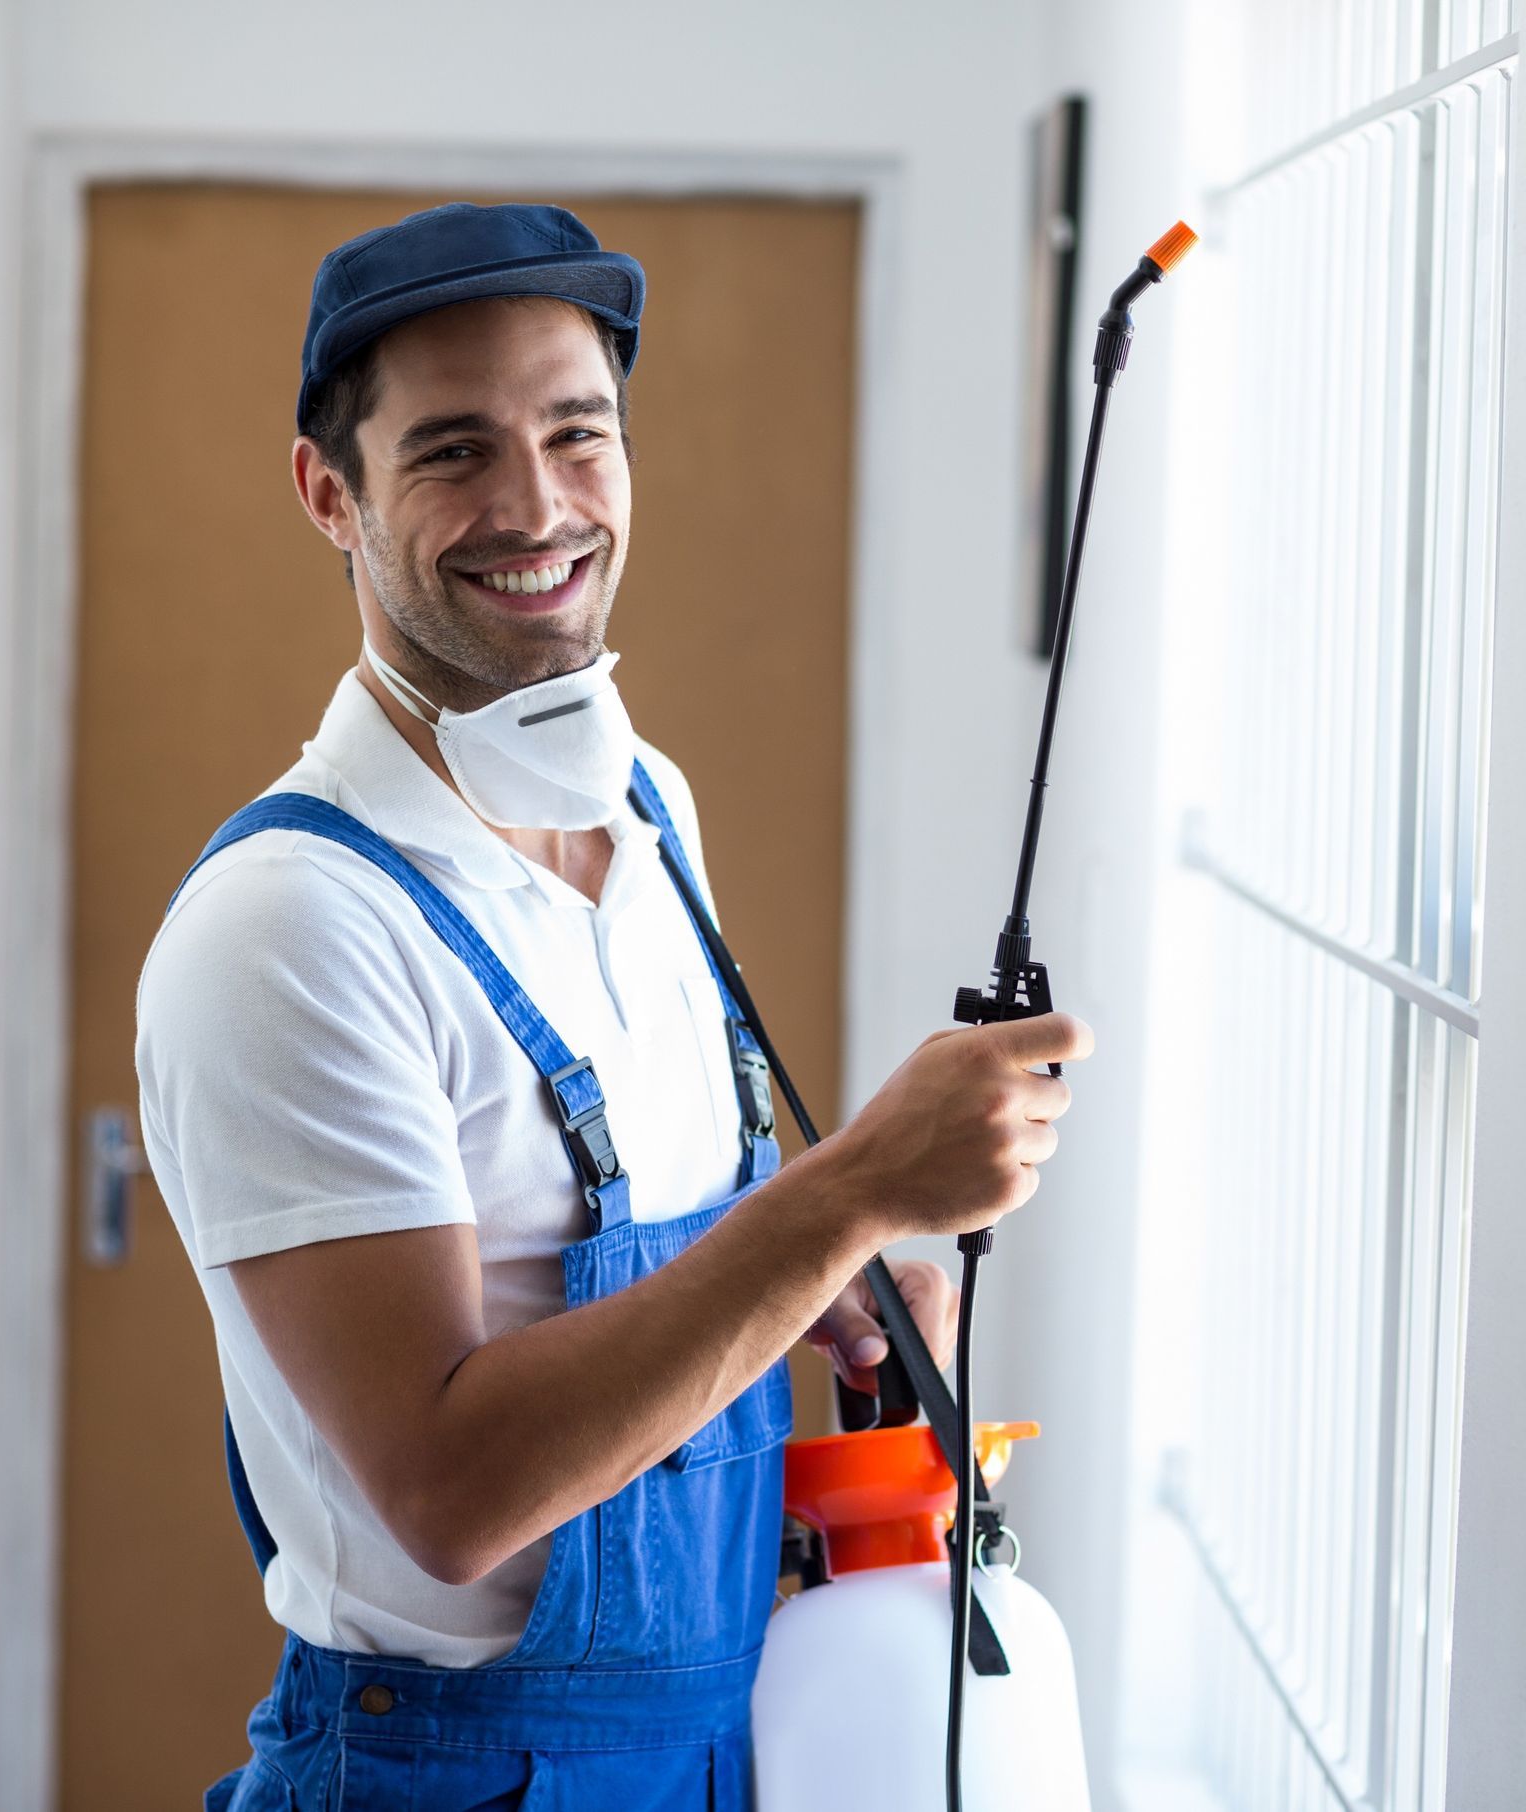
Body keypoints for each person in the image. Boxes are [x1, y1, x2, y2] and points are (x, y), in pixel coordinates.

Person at [135, 200, 1092, 1812]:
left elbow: (637, 1255)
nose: (536, 505)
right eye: (450, 453)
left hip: (718, 1743)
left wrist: (828, 1285)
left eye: (578, 434)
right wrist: (853, 1186)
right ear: (331, 496)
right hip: (448, 1775)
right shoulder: (292, 926)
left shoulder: (654, 812)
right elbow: (453, 1488)